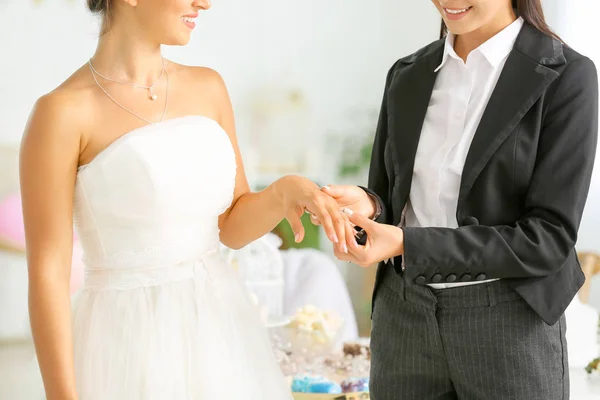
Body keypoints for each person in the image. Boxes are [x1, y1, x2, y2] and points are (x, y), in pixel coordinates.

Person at [18, 0, 355, 398]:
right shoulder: (61, 113)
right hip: (123, 341)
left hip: (220, 332)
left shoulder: (208, 87)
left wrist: (284, 192)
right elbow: (48, 275)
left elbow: (230, 226)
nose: (205, 3)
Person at [314, 0, 599, 398]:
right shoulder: (407, 74)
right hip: (404, 319)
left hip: (509, 324)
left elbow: (547, 239)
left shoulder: (566, 75)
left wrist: (408, 244)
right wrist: (370, 206)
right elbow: (393, 199)